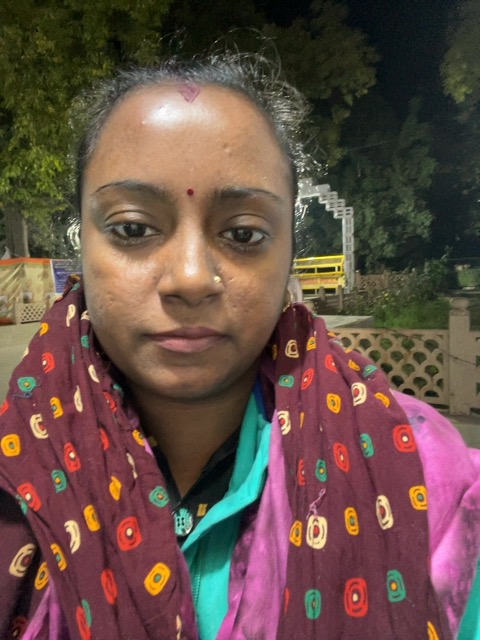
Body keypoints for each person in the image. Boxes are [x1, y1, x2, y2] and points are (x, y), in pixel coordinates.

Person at [0, 51, 479, 640]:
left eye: (244, 233)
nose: (191, 278)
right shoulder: (14, 471)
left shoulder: (429, 482)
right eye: (132, 228)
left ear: (290, 252)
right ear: (82, 243)